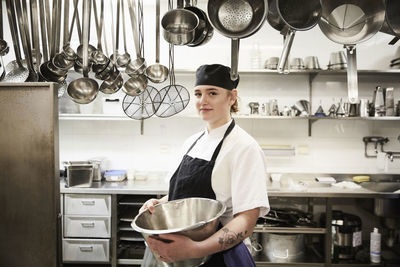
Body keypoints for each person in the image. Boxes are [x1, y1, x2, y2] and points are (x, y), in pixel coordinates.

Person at [139, 64, 269, 267]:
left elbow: (246, 220)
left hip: (215, 257)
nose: (203, 101)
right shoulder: (192, 141)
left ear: (232, 97)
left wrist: (195, 249)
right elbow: (187, 197)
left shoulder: (244, 147)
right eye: (198, 94)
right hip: (175, 255)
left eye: (212, 93)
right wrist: (162, 204)